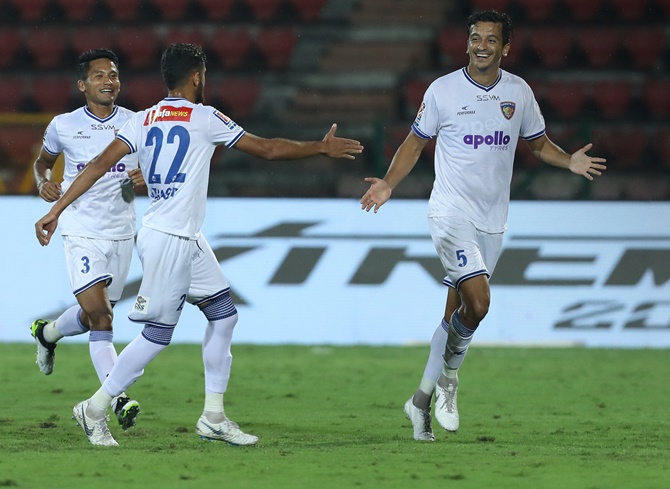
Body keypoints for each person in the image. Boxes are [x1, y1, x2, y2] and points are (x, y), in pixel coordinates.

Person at [35, 43, 364, 447]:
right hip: (168, 238)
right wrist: (320, 147)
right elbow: (267, 149)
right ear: (197, 77)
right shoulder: (205, 118)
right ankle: (95, 408)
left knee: (224, 315)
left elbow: (99, 165)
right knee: (158, 334)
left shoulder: (145, 118)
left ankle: (213, 416)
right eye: (203, 75)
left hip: (183, 234)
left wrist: (55, 210)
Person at [360, 10, 606, 442]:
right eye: (475, 37)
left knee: (459, 312)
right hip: (450, 211)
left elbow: (538, 142)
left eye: (491, 40)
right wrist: (389, 183)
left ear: (505, 47)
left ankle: (419, 403)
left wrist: (568, 159)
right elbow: (415, 142)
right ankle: (450, 381)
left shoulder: (518, 92)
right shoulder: (443, 91)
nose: (481, 45)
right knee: (480, 302)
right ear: (468, 42)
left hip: (493, 220)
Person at [31, 48, 144, 431]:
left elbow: (151, 167)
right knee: (102, 316)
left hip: (122, 231)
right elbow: (42, 163)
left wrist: (145, 177)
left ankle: (47, 334)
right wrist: (44, 184)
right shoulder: (63, 125)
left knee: (93, 317)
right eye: (98, 75)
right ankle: (117, 399)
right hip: (80, 230)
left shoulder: (137, 122)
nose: (108, 80)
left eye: (113, 74)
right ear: (82, 84)